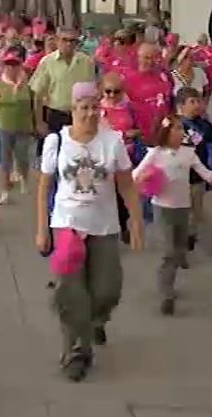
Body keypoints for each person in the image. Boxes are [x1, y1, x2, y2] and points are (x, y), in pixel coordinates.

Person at [34, 82, 144, 383]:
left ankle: (95, 320)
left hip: (104, 225)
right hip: (67, 223)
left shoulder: (113, 141)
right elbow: (44, 186)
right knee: (72, 291)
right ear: (73, 109)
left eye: (95, 106)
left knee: (107, 289)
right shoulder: (57, 141)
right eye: (84, 107)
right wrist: (42, 228)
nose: (90, 112)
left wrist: (135, 222)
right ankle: (76, 352)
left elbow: (125, 184)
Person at [133, 113, 212, 316]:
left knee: (179, 250)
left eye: (181, 128)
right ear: (166, 133)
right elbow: (135, 175)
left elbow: (205, 173)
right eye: (177, 129)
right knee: (169, 252)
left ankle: (170, 278)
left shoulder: (188, 153)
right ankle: (166, 295)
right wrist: (144, 178)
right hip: (162, 209)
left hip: (182, 208)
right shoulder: (155, 154)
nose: (182, 132)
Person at [177, 86, 212, 258]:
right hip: (179, 178)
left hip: (198, 177)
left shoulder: (205, 124)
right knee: (181, 211)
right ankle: (179, 241)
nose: (196, 105)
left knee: (196, 211)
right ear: (181, 105)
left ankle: (190, 236)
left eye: (198, 101)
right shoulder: (176, 126)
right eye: (191, 102)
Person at [98, 72, 144, 244]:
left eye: (115, 92)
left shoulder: (129, 107)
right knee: (104, 193)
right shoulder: (96, 109)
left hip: (126, 155)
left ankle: (123, 225)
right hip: (104, 157)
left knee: (122, 194)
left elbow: (140, 129)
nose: (111, 95)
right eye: (107, 91)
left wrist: (130, 133)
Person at [0, 50, 40, 204]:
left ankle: (24, 178)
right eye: (8, 65)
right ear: (3, 67)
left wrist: (35, 122)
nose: (11, 68)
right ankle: (4, 191)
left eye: (14, 65)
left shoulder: (27, 85)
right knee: (5, 159)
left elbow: (34, 104)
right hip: (5, 125)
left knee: (22, 155)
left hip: (24, 125)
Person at [30, 28, 96, 135]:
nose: (69, 44)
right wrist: (39, 122)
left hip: (79, 116)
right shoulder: (47, 62)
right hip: (56, 117)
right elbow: (38, 95)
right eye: (65, 40)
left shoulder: (86, 61)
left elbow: (91, 91)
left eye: (72, 41)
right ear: (57, 41)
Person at [122, 43, 173, 144]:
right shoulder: (126, 78)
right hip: (139, 137)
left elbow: (169, 102)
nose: (150, 62)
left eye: (154, 58)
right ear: (138, 57)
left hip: (162, 134)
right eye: (146, 58)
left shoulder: (163, 76)